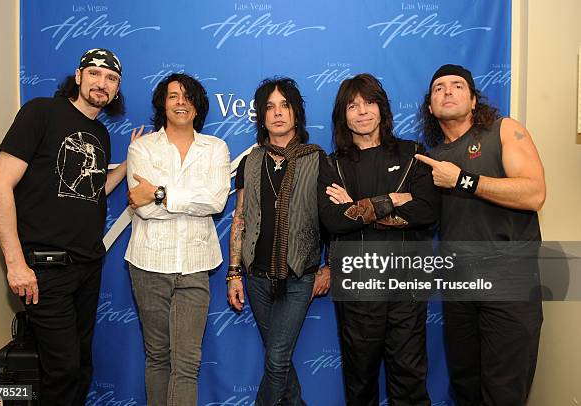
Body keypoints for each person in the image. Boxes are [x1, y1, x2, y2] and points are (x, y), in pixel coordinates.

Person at [0, 48, 136, 405]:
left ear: (116, 90)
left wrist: (128, 163)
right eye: (96, 73)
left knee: (81, 367)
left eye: (111, 78)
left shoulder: (100, 134)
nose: (102, 83)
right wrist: (15, 264)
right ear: (79, 75)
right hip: (43, 267)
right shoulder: (41, 111)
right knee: (63, 369)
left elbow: (91, 189)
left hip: (86, 266)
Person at [416, 64, 546, 406]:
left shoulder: (505, 131)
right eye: (438, 87)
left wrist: (463, 180)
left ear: (474, 100)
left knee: (504, 390)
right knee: (466, 386)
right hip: (459, 285)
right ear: (430, 107)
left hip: (510, 281)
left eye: (457, 86)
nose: (447, 91)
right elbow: (424, 217)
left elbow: (534, 193)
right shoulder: (431, 160)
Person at [318, 73, 439, 406]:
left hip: (407, 287)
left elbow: (427, 212)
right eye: (353, 105)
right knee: (360, 385)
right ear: (343, 115)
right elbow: (332, 220)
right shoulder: (332, 165)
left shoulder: (412, 153)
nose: (362, 111)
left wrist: (358, 209)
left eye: (368, 102)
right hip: (357, 289)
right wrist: (394, 199)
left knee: (410, 382)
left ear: (382, 108)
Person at [125, 73, 230, 405]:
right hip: (148, 264)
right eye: (173, 96)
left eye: (187, 97)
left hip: (196, 267)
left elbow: (214, 201)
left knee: (187, 363)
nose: (181, 102)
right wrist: (180, 200)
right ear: (163, 104)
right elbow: (143, 210)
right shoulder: (141, 147)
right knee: (158, 357)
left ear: (197, 106)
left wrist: (158, 192)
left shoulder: (216, 148)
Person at [226, 77, 330, 406]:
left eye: (285, 105)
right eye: (269, 107)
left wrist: (330, 266)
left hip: (299, 276)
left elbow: (333, 220)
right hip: (256, 276)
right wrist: (233, 272)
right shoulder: (251, 161)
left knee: (276, 361)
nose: (278, 113)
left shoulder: (317, 159)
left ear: (296, 113)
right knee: (279, 360)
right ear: (261, 116)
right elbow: (239, 217)